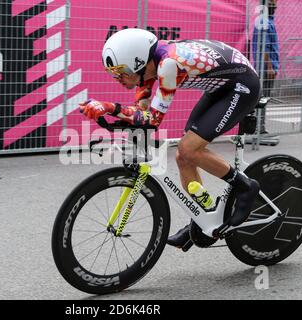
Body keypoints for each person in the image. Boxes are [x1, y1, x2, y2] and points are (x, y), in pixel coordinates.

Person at [79, 28, 261, 249]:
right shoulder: (149, 67)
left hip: (242, 86)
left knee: (190, 149)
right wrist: (114, 114)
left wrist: (109, 107)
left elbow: (153, 120)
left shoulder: (168, 64)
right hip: (222, 86)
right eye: (113, 73)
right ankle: (203, 218)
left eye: (121, 71)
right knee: (183, 157)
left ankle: (246, 187)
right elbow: (141, 110)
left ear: (138, 61)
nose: (118, 78)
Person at [252, 0, 280, 135]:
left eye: (275, 3)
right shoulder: (264, 22)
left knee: (262, 98)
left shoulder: (267, 21)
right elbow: (263, 47)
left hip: (267, 66)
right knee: (262, 98)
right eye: (272, 3)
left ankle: (259, 126)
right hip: (265, 68)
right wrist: (269, 67)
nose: (275, 6)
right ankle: (257, 127)